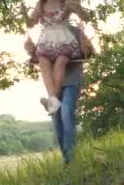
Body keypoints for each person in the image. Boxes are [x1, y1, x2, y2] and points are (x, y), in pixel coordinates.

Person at [23, 0, 91, 115]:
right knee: (43, 62)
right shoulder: (40, 5)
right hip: (46, 40)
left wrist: (79, 7)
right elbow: (30, 24)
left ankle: (52, 102)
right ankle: (53, 100)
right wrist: (24, 14)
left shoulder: (66, 3)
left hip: (64, 39)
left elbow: (86, 17)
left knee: (60, 62)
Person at [28, 24, 86, 165]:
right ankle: (67, 159)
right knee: (57, 120)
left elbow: (87, 52)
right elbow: (38, 56)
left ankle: (71, 159)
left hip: (72, 80)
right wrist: (32, 53)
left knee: (66, 111)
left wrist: (80, 44)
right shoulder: (46, 33)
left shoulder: (75, 31)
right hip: (54, 86)